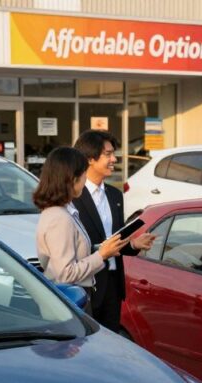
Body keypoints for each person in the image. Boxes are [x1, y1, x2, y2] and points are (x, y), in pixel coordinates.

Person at [72, 130, 156, 332]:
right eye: (108, 154)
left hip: (112, 284)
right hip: (85, 285)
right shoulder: (73, 196)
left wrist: (134, 244)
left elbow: (115, 240)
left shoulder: (115, 195)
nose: (114, 159)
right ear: (90, 159)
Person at [34, 147, 129, 311]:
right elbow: (64, 274)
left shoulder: (64, 210)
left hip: (73, 297)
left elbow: (74, 253)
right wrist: (101, 255)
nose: (86, 180)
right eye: (84, 174)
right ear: (71, 178)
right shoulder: (59, 217)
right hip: (70, 301)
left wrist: (103, 249)